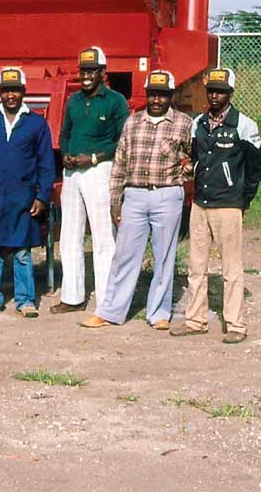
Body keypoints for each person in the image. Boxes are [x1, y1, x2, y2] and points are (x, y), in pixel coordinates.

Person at [80, 70, 193, 330]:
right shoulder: (133, 122)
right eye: (152, 94)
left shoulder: (184, 123)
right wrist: (116, 200)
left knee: (165, 256)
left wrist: (185, 174)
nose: (156, 100)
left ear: (170, 96)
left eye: (162, 95)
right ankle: (111, 311)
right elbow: (120, 162)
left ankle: (159, 313)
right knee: (124, 255)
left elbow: (193, 155)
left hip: (167, 195)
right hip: (135, 195)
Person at [171, 67, 261, 343]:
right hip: (200, 205)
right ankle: (195, 320)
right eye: (211, 90)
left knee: (231, 268)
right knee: (196, 266)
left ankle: (235, 325)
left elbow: (256, 168)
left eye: (220, 91)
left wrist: (242, 199)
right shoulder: (198, 123)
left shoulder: (244, 126)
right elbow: (195, 157)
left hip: (228, 206)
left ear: (230, 93)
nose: (214, 95)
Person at [0, 67, 55, 318]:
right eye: (6, 90)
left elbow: (46, 163)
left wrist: (42, 196)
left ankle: (26, 300)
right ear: (0, 92)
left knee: (22, 251)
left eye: (15, 90)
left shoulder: (36, 123)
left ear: (23, 91)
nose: (11, 95)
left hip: (23, 198)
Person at [51, 46, 130, 315]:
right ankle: (72, 296)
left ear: (102, 72)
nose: (86, 75)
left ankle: (107, 299)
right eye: (83, 70)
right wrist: (66, 155)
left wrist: (94, 157)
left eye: (91, 70)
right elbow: (64, 133)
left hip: (99, 170)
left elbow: (123, 141)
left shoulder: (115, 101)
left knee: (104, 235)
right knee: (69, 234)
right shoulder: (73, 100)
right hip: (72, 173)